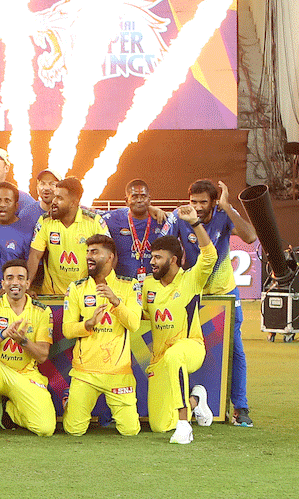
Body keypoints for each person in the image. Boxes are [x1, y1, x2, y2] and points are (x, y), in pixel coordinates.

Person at [169, 179, 257, 427]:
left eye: (203, 202)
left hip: (224, 293)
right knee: (183, 347)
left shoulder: (223, 214)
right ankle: (188, 401)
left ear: (214, 202)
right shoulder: (180, 217)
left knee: (235, 348)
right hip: (193, 292)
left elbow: (250, 236)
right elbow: (167, 245)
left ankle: (241, 407)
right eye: (193, 201)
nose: (196, 207)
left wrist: (228, 207)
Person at [143, 210, 217, 443]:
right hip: (160, 359)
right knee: (159, 425)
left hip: (191, 347)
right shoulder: (147, 286)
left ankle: (184, 425)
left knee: (175, 355)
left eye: (158, 258)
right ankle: (196, 400)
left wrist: (195, 222)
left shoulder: (190, 279)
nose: (152, 262)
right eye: (152, 257)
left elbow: (209, 256)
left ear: (173, 260)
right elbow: (142, 315)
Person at [61, 234, 142, 436]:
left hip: (118, 373)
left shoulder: (129, 286)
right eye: (87, 252)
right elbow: (67, 329)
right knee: (73, 431)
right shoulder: (76, 288)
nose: (89, 256)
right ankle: (70, 399)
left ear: (110, 257)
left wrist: (116, 302)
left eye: (95, 252)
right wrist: (87, 324)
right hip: (84, 372)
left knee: (131, 431)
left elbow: (133, 324)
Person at [0, 259, 55, 437]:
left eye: (20, 278)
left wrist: (23, 341)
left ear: (28, 283)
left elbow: (42, 356)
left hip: (25, 375)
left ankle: (9, 411)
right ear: (3, 283)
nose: (15, 282)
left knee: (45, 429)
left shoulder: (42, 311)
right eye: (9, 278)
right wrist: (3, 334)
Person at [26, 177, 106, 294]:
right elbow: (35, 255)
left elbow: (108, 256)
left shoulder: (94, 222)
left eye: (60, 198)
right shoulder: (45, 221)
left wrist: (100, 286)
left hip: (84, 296)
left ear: (73, 203)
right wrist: (26, 286)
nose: (54, 201)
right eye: (55, 196)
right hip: (52, 295)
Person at [102, 179, 170, 283]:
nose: (139, 200)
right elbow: (88, 211)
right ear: (126, 201)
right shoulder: (113, 218)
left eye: (143, 196)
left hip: (154, 285)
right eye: (134, 197)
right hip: (123, 285)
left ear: (149, 200)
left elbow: (181, 217)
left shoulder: (161, 220)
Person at [0, 182, 39, 296]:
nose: (2, 205)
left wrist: (23, 287)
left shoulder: (26, 233)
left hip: (12, 297)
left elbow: (31, 265)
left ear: (16, 206)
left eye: (7, 201)